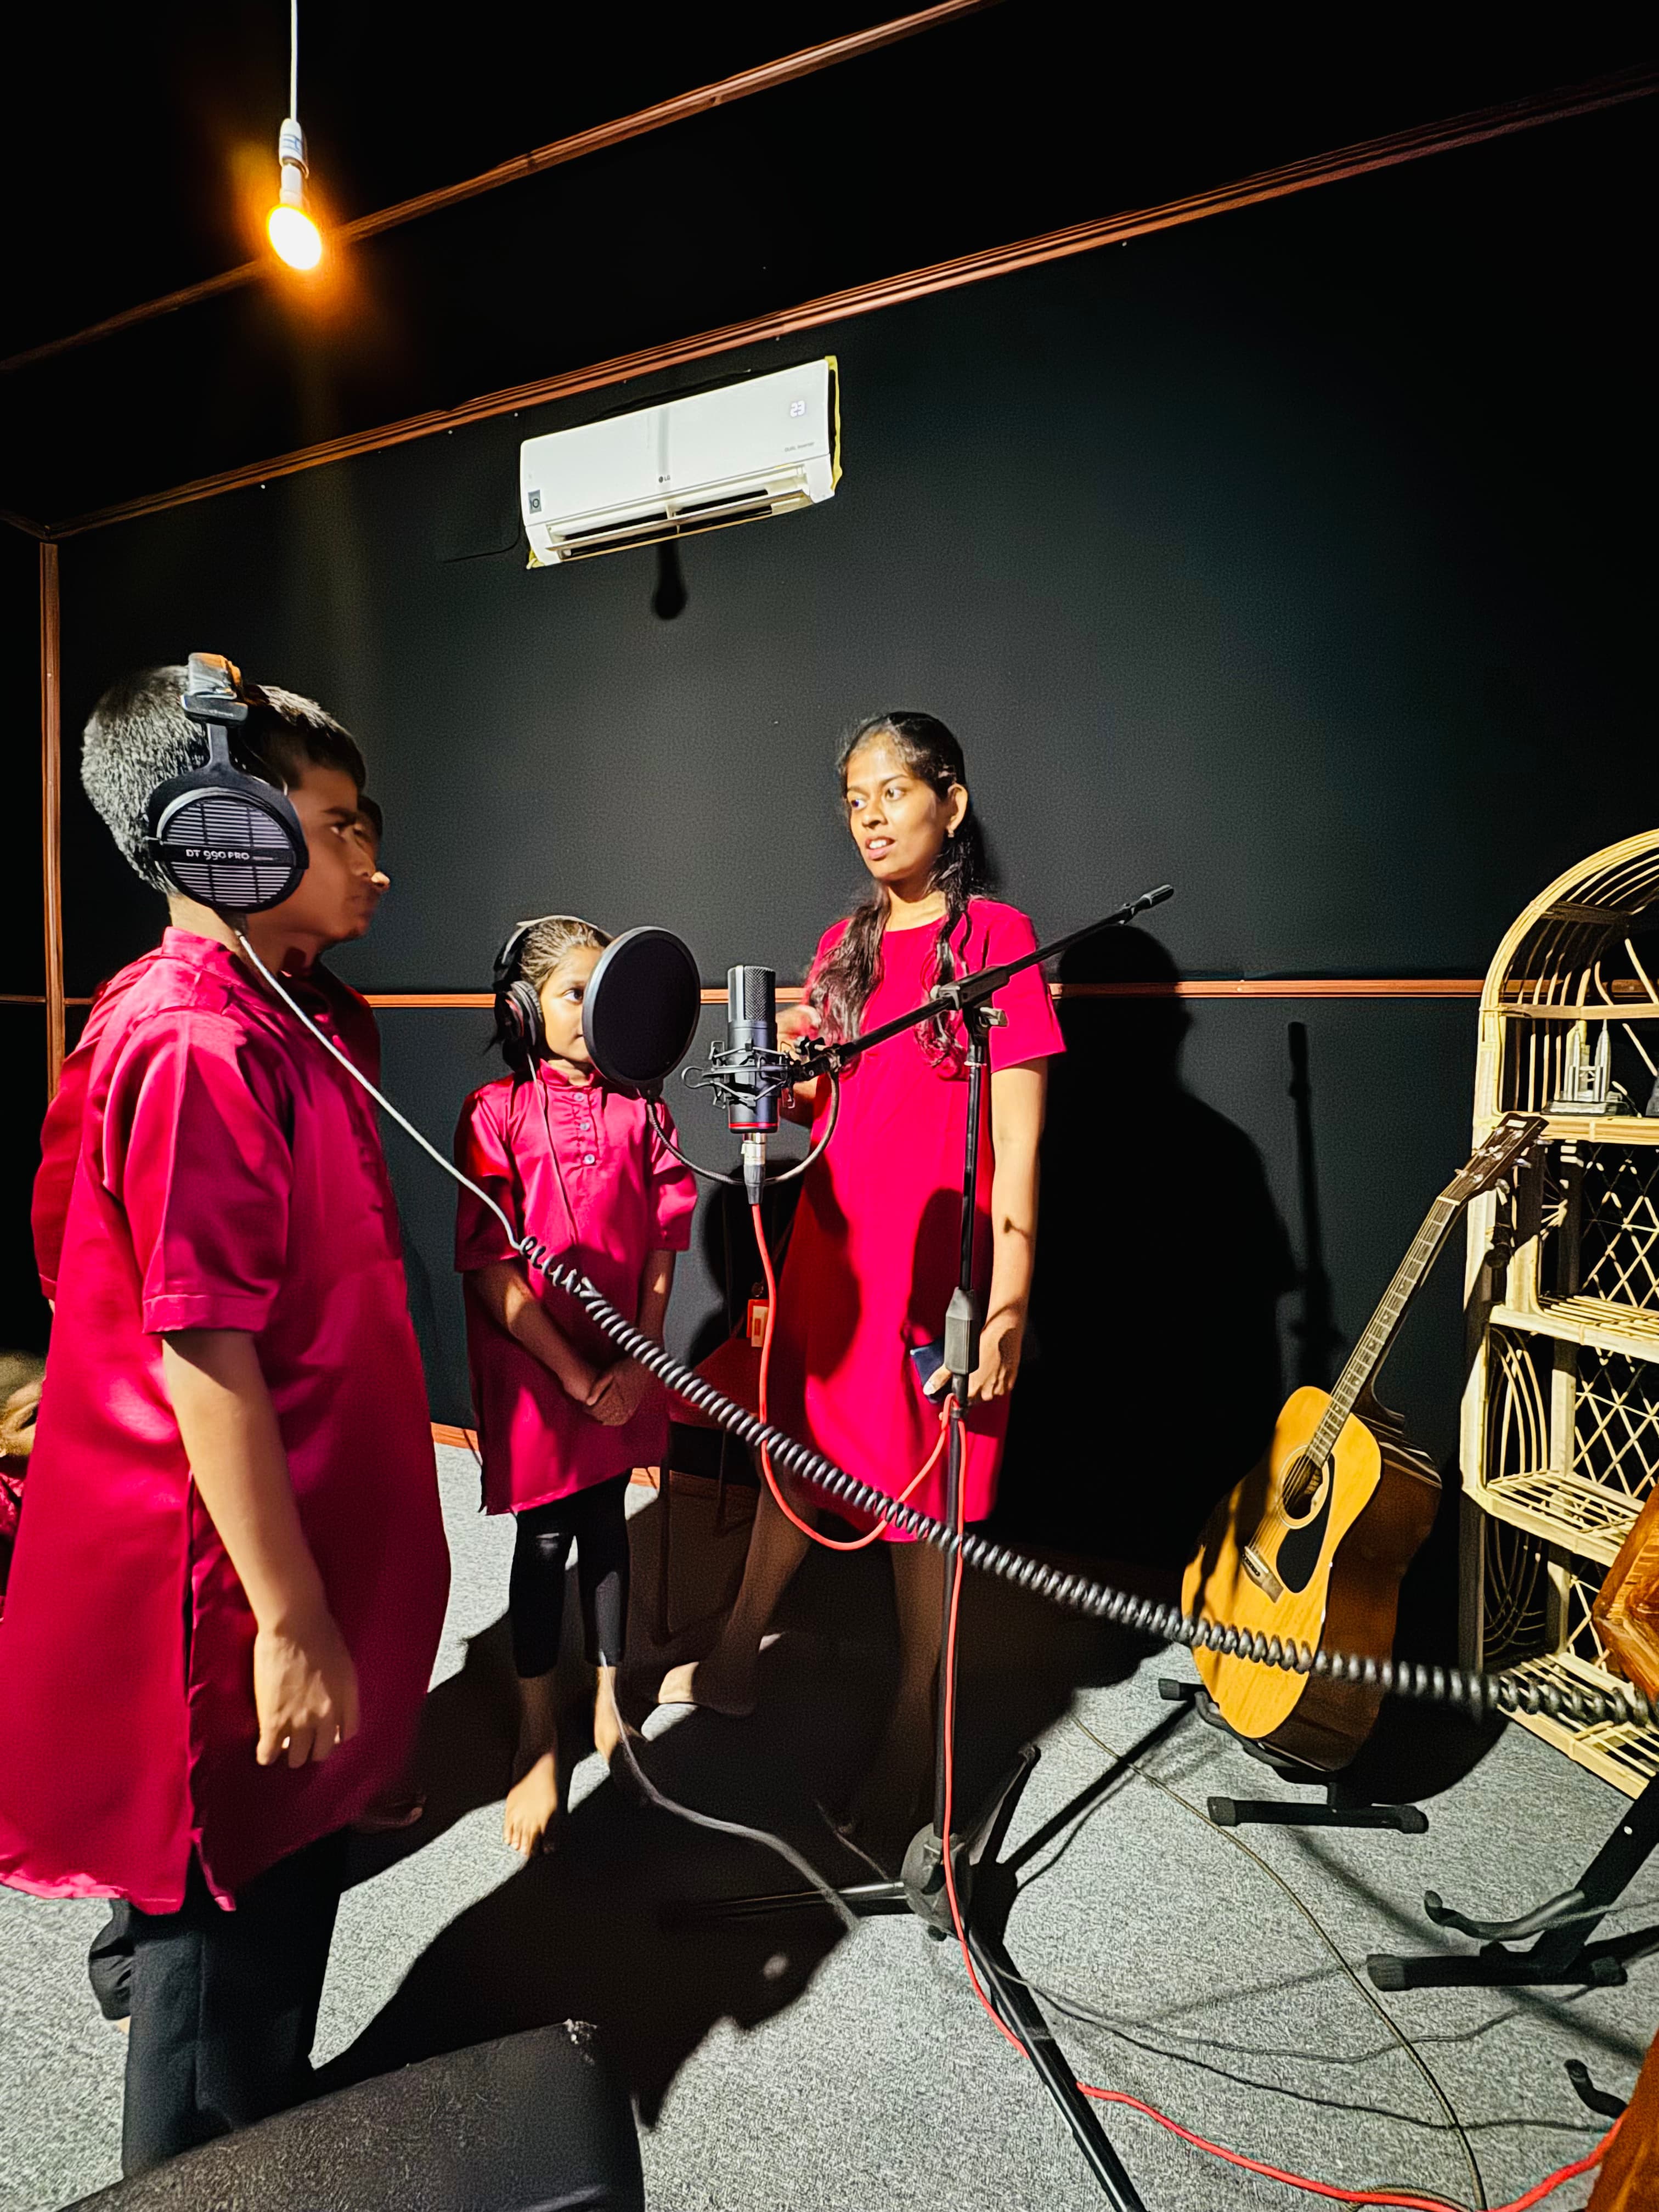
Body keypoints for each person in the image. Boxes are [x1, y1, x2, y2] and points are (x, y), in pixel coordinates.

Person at [0, 667, 449, 2176]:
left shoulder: (300, 1015)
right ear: (224, 835)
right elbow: (200, 1345)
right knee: (222, 2008)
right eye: (338, 827)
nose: (374, 859)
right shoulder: (200, 1042)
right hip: (237, 1596)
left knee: (255, 1934)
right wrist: (290, 1614)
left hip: (304, 1535)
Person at [658, 710, 1063, 1851]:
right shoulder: (844, 947)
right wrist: (782, 1088)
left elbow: (1021, 1146)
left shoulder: (999, 940)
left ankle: (912, 1719)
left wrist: (1013, 1304)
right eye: (855, 798)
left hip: (942, 1270)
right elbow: (834, 1111)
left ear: (953, 801)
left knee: (919, 1501)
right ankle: (737, 1651)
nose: (873, 815)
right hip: (833, 1262)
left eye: (893, 790)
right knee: (796, 1451)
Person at [455, 915, 697, 1857]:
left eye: (605, 993)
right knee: (546, 1536)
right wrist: (575, 1373)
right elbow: (488, 1266)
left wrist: (639, 1359)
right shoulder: (493, 1114)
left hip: (626, 1371)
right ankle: (536, 1729)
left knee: (607, 1523)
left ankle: (606, 1702)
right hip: (538, 1374)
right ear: (524, 1010)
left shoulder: (644, 1111)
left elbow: (667, 1244)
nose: (594, 1013)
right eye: (572, 994)